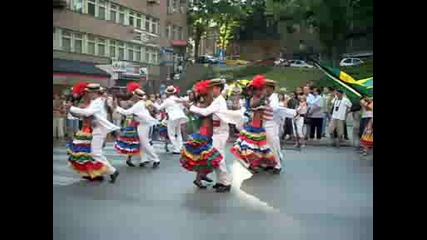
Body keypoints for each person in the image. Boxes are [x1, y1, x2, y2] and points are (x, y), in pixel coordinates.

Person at [183, 78, 242, 193]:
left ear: (218, 88)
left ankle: (225, 182)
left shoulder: (219, 100)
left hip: (220, 132)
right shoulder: (217, 100)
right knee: (215, 157)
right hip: (216, 131)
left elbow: (205, 112)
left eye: (212, 88)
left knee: (218, 157)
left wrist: (190, 107)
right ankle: (221, 181)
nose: (211, 91)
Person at [66, 83, 120, 183]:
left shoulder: (97, 102)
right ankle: (111, 171)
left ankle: (112, 171)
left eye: (89, 92)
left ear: (94, 93)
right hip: (97, 129)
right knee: (96, 153)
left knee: (95, 153)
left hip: (99, 129)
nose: (88, 94)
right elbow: (87, 112)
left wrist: (71, 108)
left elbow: (87, 113)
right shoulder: (98, 101)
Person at [180, 80, 223, 189]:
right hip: (205, 132)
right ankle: (199, 178)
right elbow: (201, 113)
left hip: (206, 131)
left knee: (204, 158)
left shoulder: (201, 104)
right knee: (205, 158)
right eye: (209, 95)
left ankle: (201, 176)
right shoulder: (205, 105)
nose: (211, 97)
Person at [230, 75, 277, 173]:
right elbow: (253, 105)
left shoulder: (262, 98)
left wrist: (264, 98)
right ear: (256, 90)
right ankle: (249, 165)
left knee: (258, 149)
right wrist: (263, 97)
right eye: (261, 89)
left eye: (262, 89)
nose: (263, 91)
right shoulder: (254, 98)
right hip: (253, 127)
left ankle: (257, 164)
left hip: (260, 127)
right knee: (249, 149)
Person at [114, 83, 161, 168]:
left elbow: (127, 112)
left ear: (136, 96)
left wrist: (117, 108)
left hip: (143, 124)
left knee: (145, 142)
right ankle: (145, 159)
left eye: (133, 95)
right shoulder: (141, 103)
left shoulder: (138, 104)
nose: (132, 96)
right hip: (142, 124)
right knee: (143, 143)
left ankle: (156, 159)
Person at [153, 86, 188, 154]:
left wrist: (154, 103)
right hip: (180, 117)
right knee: (178, 133)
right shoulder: (178, 99)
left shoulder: (168, 100)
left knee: (171, 133)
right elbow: (182, 107)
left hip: (172, 117)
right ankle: (180, 147)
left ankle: (176, 148)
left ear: (168, 93)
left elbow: (159, 108)